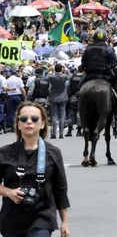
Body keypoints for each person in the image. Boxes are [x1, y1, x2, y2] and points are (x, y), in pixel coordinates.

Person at [0, 101, 70, 237]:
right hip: (12, 218)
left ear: (43, 123)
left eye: (34, 119)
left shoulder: (53, 153)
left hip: (42, 216)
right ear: (18, 124)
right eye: (24, 119)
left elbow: (60, 189)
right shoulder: (4, 153)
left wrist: (65, 222)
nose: (29, 122)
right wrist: (9, 192)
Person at [45, 65, 70, 140]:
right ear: (61, 69)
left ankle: (54, 133)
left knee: (54, 116)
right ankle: (61, 133)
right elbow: (70, 76)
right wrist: (66, 68)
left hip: (53, 97)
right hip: (62, 97)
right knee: (62, 116)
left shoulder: (51, 77)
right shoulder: (64, 76)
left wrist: (49, 71)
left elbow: (45, 79)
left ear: (54, 69)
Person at [4, 69, 27, 134]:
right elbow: (22, 90)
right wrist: (24, 98)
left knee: (10, 112)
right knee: (19, 111)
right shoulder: (19, 79)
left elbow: (5, 90)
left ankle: (12, 126)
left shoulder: (7, 80)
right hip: (18, 96)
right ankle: (19, 125)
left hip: (10, 97)